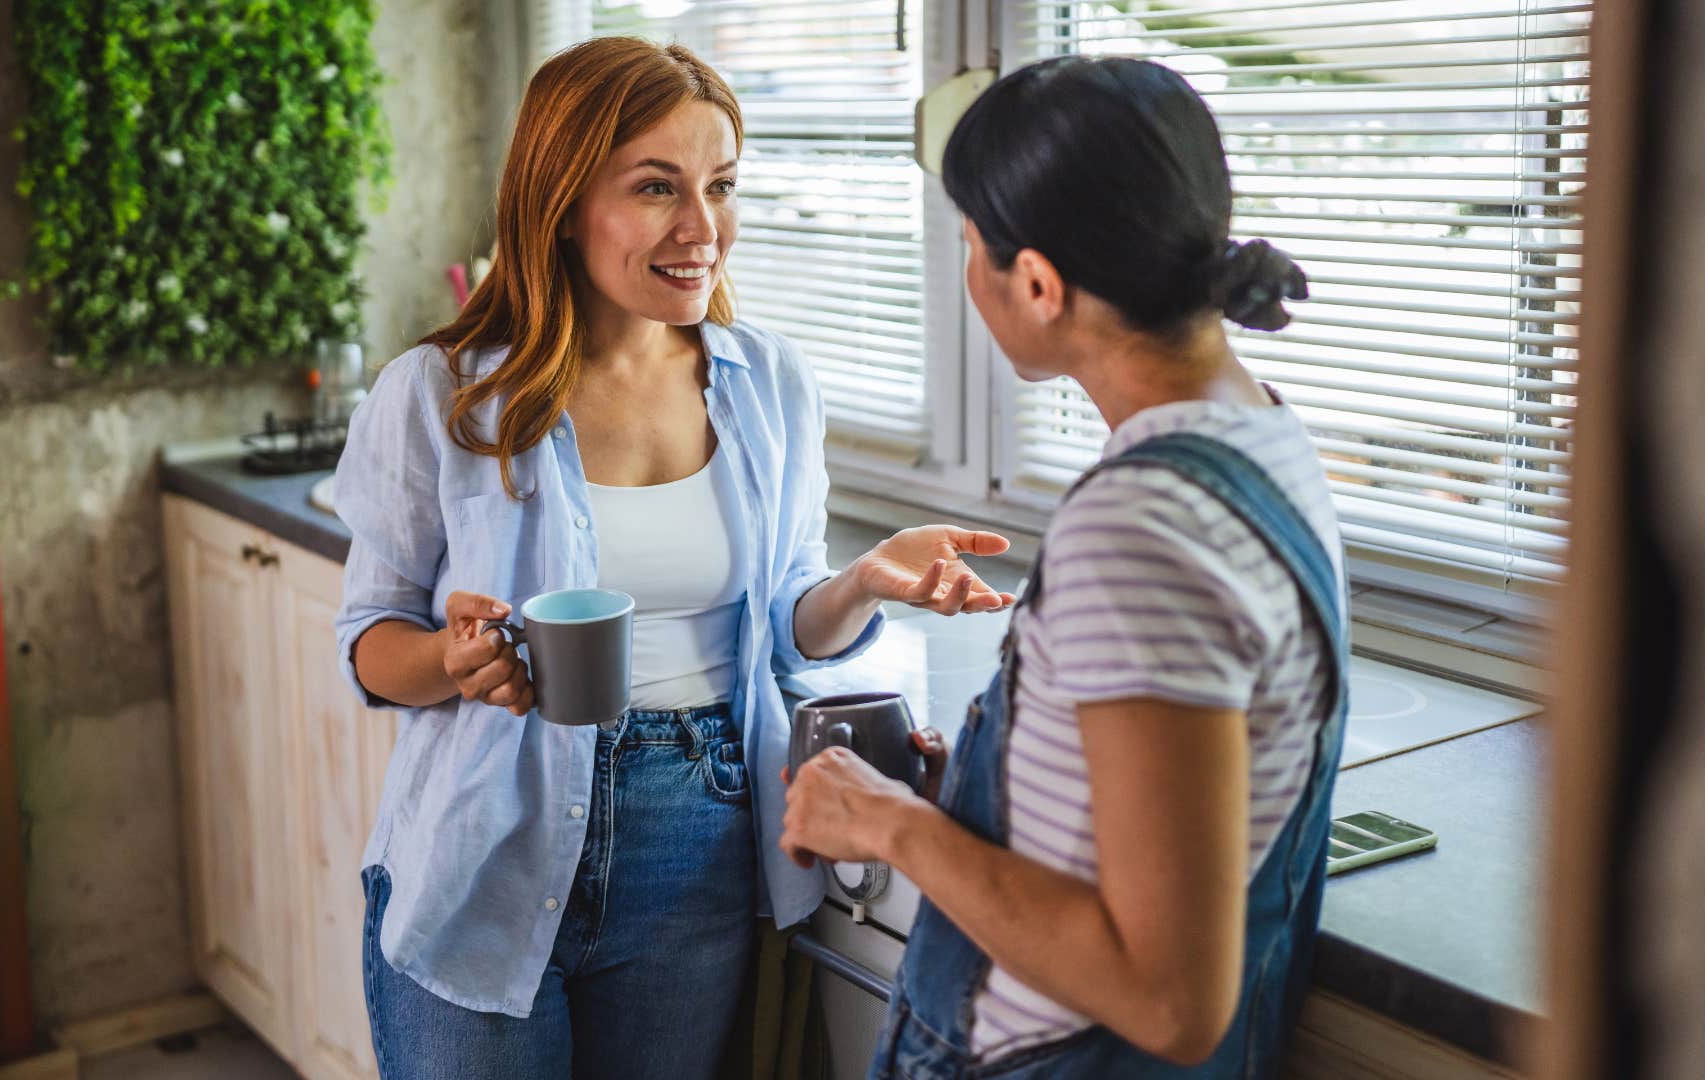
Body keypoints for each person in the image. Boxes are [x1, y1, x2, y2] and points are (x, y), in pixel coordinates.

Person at [332, 36, 1014, 1080]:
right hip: (485, 847)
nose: (703, 229)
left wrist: (864, 581)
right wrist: (450, 660)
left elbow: (785, 623)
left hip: (699, 842)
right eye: (657, 188)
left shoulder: (768, 384)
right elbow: (371, 640)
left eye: (721, 186)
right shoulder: (442, 395)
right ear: (561, 201)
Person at [781, 56, 1345, 1078]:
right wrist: (1003, 795)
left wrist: (893, 823)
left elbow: (1167, 999)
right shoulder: (1262, 436)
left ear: (1038, 284)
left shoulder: (1140, 527)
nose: (966, 275)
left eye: (969, 247)